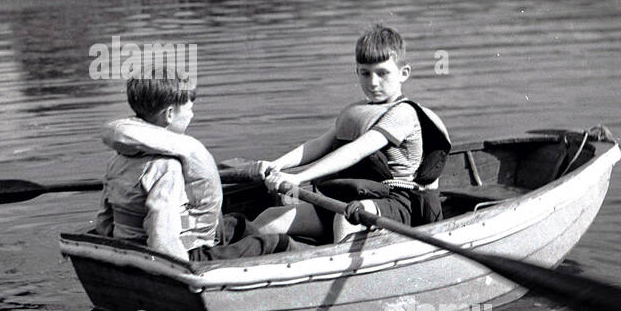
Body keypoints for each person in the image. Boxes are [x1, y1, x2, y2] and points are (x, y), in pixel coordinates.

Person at [249, 24, 450, 244]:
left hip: (402, 204)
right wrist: (276, 165)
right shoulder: (359, 111)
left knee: (346, 219)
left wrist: (298, 178)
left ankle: (336, 269)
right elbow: (317, 144)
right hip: (356, 199)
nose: (373, 82)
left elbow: (355, 151)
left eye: (382, 73)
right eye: (365, 73)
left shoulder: (404, 113)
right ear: (357, 72)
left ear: (404, 73)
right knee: (269, 220)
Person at [90, 75, 296, 262]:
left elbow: (104, 220)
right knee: (278, 243)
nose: (192, 114)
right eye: (189, 109)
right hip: (185, 255)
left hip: (135, 245)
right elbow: (162, 233)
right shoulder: (167, 168)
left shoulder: (119, 159)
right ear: (170, 114)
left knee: (237, 224)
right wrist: (182, 270)